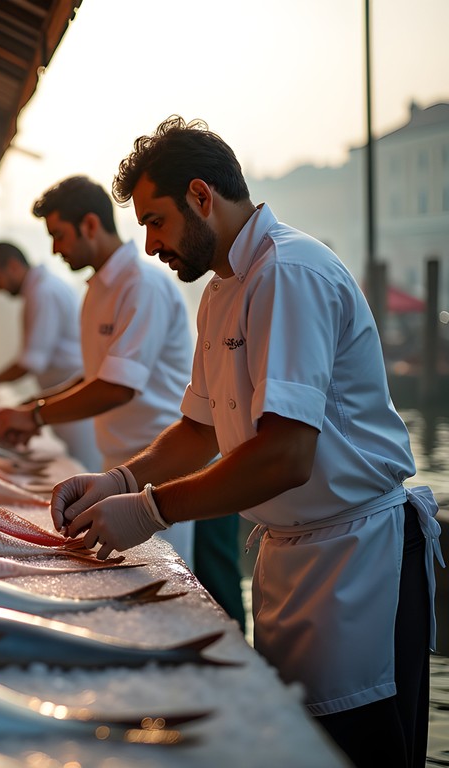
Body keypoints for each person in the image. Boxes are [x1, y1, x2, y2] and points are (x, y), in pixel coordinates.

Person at [52, 116, 442, 767]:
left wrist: (149, 511)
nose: (148, 244)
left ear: (202, 197)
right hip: (288, 559)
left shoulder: (291, 272)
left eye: (155, 220)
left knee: (361, 752)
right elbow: (200, 430)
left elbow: (286, 456)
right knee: (293, 745)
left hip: (356, 560)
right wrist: (119, 481)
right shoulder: (220, 293)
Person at [0, 176, 197, 568]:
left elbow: (117, 388)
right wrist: (35, 407)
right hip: (116, 459)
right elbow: (95, 375)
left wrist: (35, 414)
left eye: (59, 235)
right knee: (120, 575)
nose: (54, 249)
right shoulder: (98, 289)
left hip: (158, 462)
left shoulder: (142, 286)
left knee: (161, 581)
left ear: (91, 226)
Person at [0, 241, 101, 472]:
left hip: (72, 398)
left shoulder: (43, 292)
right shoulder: (40, 289)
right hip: (60, 395)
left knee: (81, 469)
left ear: (12, 266)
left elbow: (30, 362)